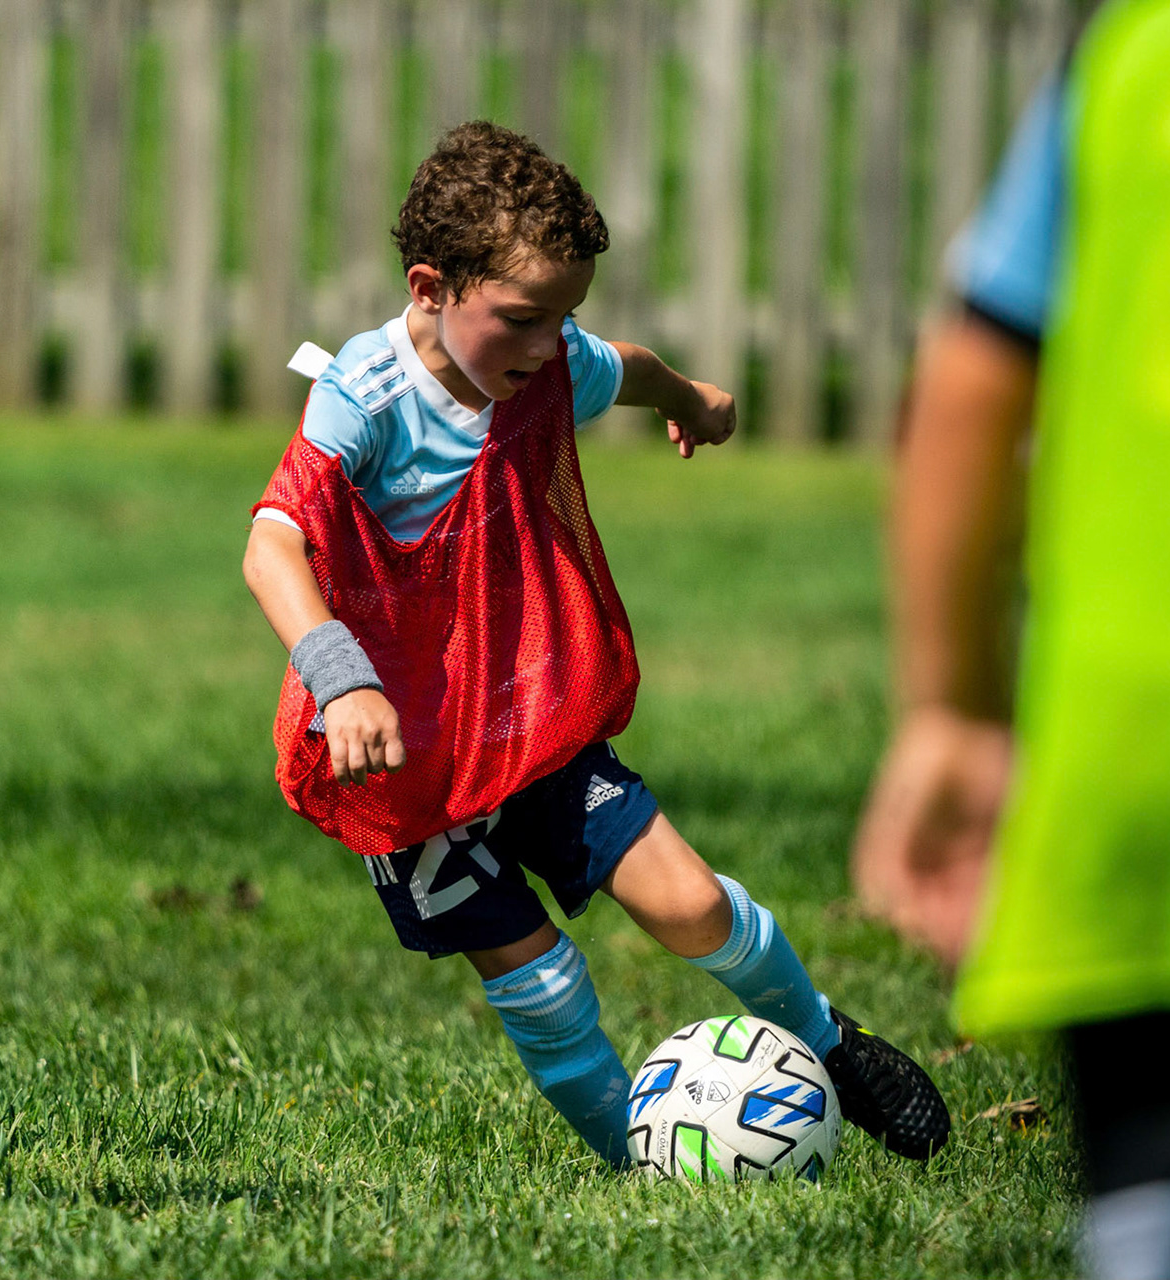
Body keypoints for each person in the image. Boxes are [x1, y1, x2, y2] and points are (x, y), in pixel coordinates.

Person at [242, 120, 949, 1170]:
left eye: (563, 314)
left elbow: (618, 365)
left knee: (694, 900)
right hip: (400, 759)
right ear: (430, 285)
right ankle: (644, 1167)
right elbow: (272, 544)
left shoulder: (544, 360)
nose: (544, 346)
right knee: (548, 981)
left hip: (523, 721)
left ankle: (831, 1042)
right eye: (523, 318)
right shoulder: (367, 391)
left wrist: (692, 400)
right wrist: (342, 681)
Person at [851, 1, 1170, 1273]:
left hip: (1153, 758)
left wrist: (953, 707)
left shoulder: (1142, 49)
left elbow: (970, 378)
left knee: (1158, 1199)